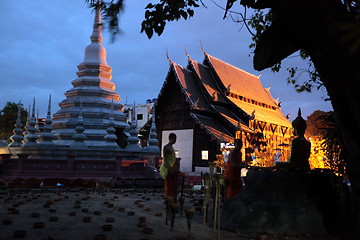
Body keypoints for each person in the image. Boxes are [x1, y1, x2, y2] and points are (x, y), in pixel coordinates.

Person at [160, 133, 179, 203]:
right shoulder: (166, 147)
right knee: (168, 185)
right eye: (174, 139)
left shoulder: (172, 148)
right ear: (171, 138)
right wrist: (170, 169)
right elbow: (165, 160)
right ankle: (168, 199)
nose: (175, 140)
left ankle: (173, 199)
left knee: (174, 185)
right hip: (168, 167)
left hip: (173, 166)